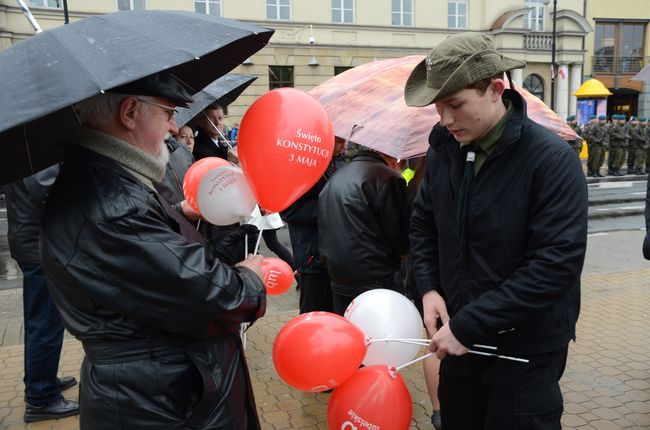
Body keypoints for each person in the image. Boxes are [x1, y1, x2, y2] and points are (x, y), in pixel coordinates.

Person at [39, 71, 266, 429]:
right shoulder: (112, 200)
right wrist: (250, 279)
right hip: (161, 400)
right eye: (168, 111)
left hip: (154, 391)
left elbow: (148, 265)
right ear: (129, 112)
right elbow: (214, 296)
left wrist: (177, 215)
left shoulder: (109, 183)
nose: (175, 127)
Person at [404, 33, 587, 429]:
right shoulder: (443, 150)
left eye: (455, 105)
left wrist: (471, 324)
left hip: (525, 350)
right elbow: (423, 225)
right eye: (438, 108)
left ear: (495, 89)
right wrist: (429, 287)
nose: (445, 120)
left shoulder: (551, 161)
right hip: (459, 343)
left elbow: (555, 266)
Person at [5, 165, 80, 423]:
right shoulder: (31, 156)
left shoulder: (20, 147)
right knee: (44, 323)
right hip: (40, 245)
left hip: (33, 241)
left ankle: (40, 381)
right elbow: (48, 190)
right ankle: (41, 397)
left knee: (40, 320)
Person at [318, 145, 410, 316]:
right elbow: (400, 235)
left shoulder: (337, 176)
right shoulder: (387, 178)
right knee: (379, 335)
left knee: (349, 330)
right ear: (390, 155)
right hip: (376, 275)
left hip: (338, 272)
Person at [281, 136, 346, 313]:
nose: (344, 145)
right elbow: (290, 211)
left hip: (337, 256)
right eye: (339, 141)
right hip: (313, 257)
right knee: (312, 314)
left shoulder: (338, 162)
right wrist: (330, 206)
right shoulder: (303, 167)